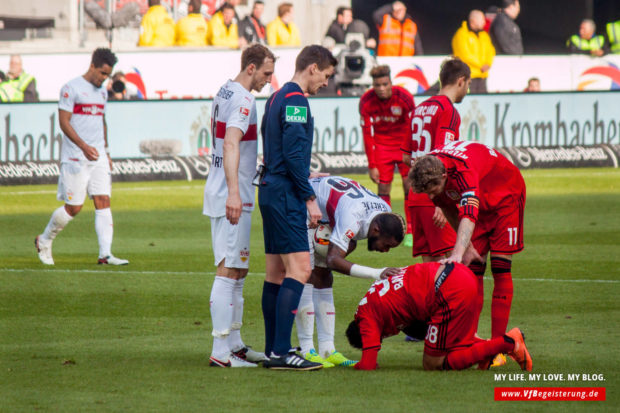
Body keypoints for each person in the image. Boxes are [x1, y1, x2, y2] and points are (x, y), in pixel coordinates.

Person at [409, 140, 526, 366]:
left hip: (506, 196)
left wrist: (456, 253)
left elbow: (468, 214)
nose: (430, 197)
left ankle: (497, 347)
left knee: (501, 267)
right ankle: (471, 344)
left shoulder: (463, 172)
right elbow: (448, 207)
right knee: (474, 270)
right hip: (480, 204)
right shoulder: (431, 169)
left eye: (432, 191)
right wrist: (468, 247)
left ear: (443, 177)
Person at [258, 45, 337, 370]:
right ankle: (281, 352)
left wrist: (303, 172)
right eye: (326, 76)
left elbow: (281, 151)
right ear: (313, 68)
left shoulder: (277, 97)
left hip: (270, 188)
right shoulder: (296, 101)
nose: (326, 83)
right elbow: (291, 153)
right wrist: (308, 197)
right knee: (302, 270)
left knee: (276, 274)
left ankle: (272, 350)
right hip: (285, 194)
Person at [204, 44, 276, 368]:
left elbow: (217, 136)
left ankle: (235, 344)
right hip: (234, 194)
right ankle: (221, 351)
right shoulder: (245, 99)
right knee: (229, 269)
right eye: (266, 73)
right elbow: (231, 141)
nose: (268, 80)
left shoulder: (224, 90)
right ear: (251, 68)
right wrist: (235, 191)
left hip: (222, 187)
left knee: (239, 269)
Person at [296, 176, 405, 368]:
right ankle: (306, 350)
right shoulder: (354, 216)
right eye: (386, 245)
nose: (385, 251)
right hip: (303, 205)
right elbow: (334, 260)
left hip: (327, 212)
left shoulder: (384, 212)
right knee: (307, 272)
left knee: (323, 277)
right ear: (377, 229)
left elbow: (345, 246)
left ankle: (327, 350)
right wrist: (376, 273)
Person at [346, 262, 533, 371]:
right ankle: (486, 351)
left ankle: (508, 342)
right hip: (459, 274)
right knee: (448, 343)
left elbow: (368, 364)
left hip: (447, 291)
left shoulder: (365, 317)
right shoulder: (375, 296)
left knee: (432, 363)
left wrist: (354, 366)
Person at [35, 48, 128, 267]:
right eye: (102, 73)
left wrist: (106, 151)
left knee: (103, 200)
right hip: (76, 156)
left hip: (98, 156)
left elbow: (102, 121)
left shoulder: (103, 92)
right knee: (74, 208)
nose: (104, 79)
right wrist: (83, 146)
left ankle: (105, 255)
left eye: (108, 75)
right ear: (93, 66)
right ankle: (44, 239)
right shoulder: (71, 88)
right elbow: (63, 122)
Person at [401, 58, 471, 265]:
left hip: (415, 196)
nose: (467, 89)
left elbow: (406, 156)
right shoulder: (447, 110)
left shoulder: (418, 109)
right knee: (452, 263)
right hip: (435, 196)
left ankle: (433, 299)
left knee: (430, 265)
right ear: (460, 81)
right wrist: (441, 202)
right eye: (468, 84)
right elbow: (442, 155)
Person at [359, 65, 415, 247]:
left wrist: (412, 153)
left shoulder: (405, 98)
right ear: (373, 85)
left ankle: (411, 230)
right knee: (383, 189)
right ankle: (387, 228)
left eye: (384, 84)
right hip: (382, 147)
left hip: (404, 146)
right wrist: (372, 164)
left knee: (410, 187)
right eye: (377, 85)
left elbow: (413, 129)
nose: (381, 88)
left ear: (391, 82)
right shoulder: (366, 101)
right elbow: (368, 134)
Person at [451, 10, 495, 94]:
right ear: (473, 21)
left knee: (483, 101)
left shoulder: (484, 35)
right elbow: (464, 54)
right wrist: (481, 65)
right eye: (482, 19)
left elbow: (491, 51)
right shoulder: (461, 34)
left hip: (482, 76)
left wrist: (488, 63)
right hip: (468, 76)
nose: (484, 22)